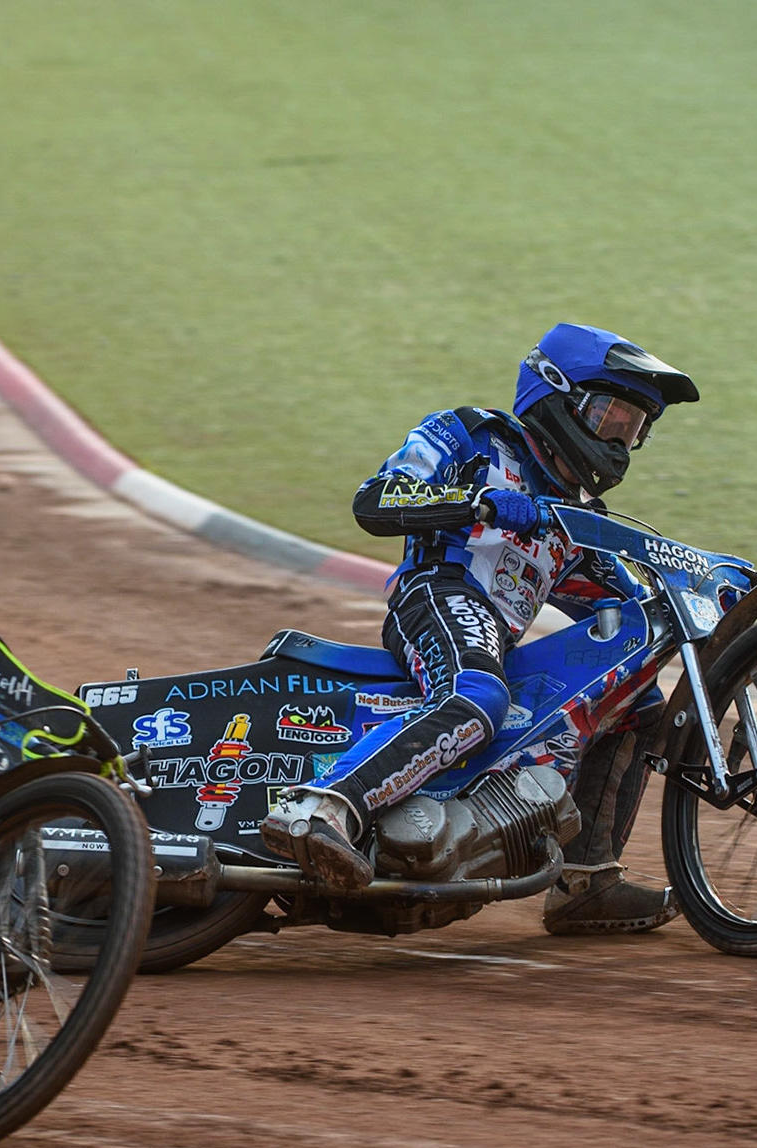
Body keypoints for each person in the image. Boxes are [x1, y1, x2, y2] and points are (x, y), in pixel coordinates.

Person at [261, 322, 697, 935]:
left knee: (639, 701)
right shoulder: (472, 436)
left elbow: (630, 606)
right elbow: (376, 501)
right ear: (555, 393)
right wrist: (477, 503)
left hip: (496, 638)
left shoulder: (577, 518)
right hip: (436, 595)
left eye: (634, 427)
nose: (620, 439)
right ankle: (323, 809)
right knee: (479, 697)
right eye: (610, 416)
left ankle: (586, 883)